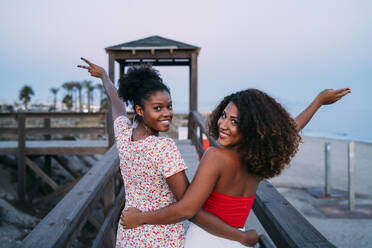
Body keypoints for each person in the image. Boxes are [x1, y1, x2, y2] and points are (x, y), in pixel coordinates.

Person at [121, 87, 351, 247]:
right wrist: (318, 102)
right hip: (236, 239)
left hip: (204, 240)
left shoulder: (216, 156)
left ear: (251, 127)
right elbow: (288, 130)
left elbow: (186, 210)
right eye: (223, 115)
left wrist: (140, 218)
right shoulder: (258, 158)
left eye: (235, 121)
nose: (223, 124)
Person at [78, 58, 261, 247]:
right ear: (140, 110)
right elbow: (189, 207)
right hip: (162, 238)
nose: (167, 113)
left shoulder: (124, 136)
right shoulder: (164, 148)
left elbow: (117, 103)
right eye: (158, 108)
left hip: (129, 235)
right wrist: (239, 236)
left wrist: (104, 77)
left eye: (169, 106)